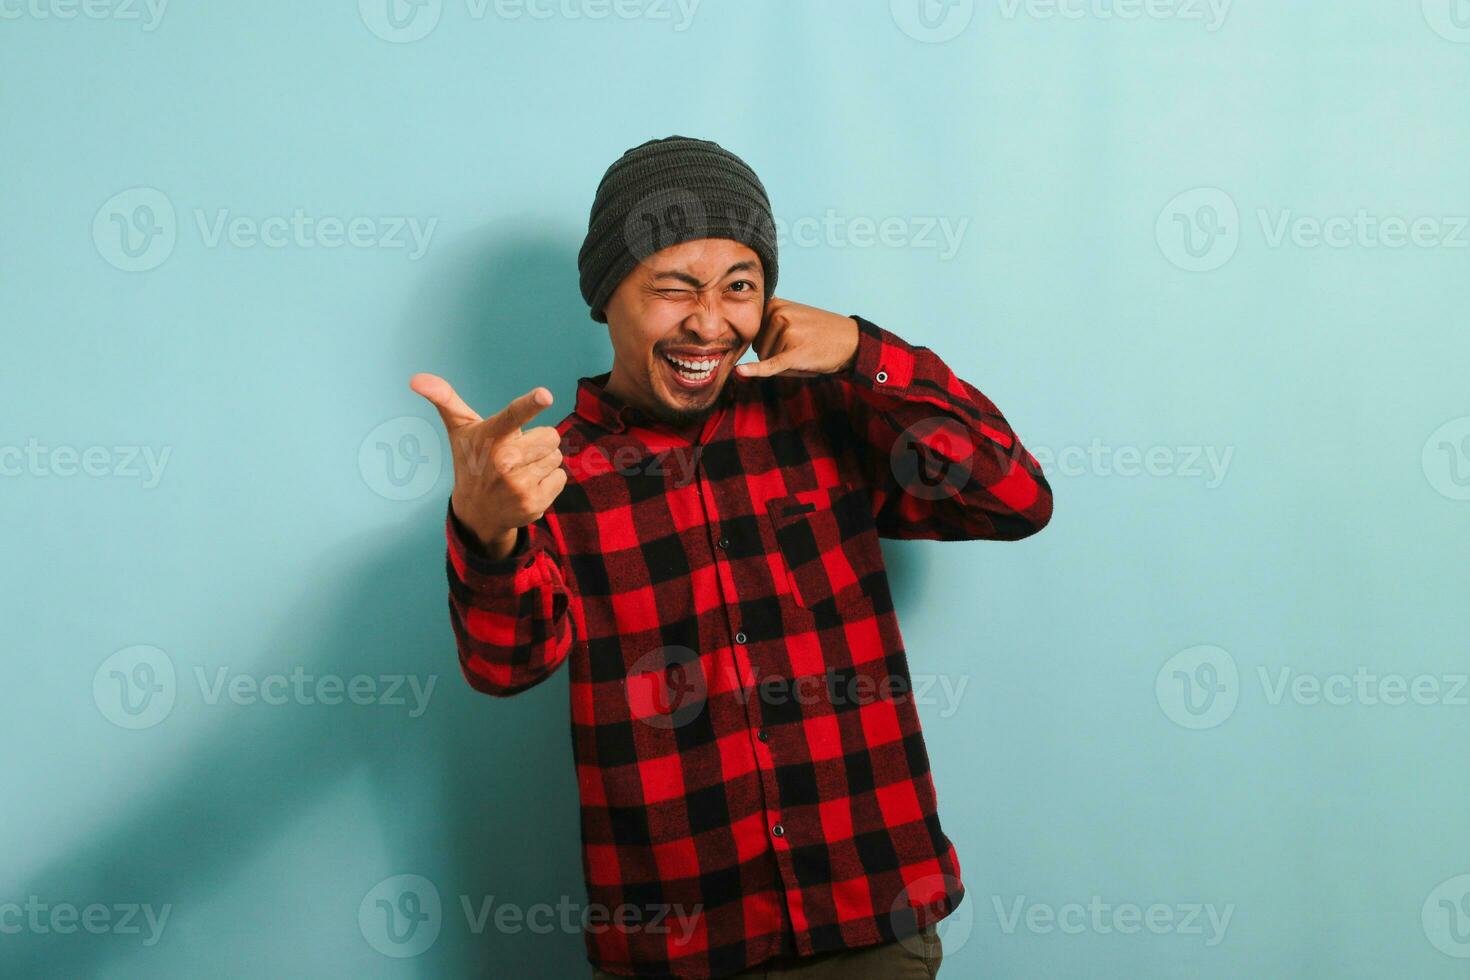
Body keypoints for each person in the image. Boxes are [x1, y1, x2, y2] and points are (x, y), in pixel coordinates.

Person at [411, 135, 1054, 979]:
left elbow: (1014, 499)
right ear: (607, 299)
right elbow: (504, 665)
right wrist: (485, 531)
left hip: (871, 916)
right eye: (673, 289)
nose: (710, 323)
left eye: (739, 288)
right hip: (683, 947)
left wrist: (869, 352)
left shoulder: (829, 414)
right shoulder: (548, 478)